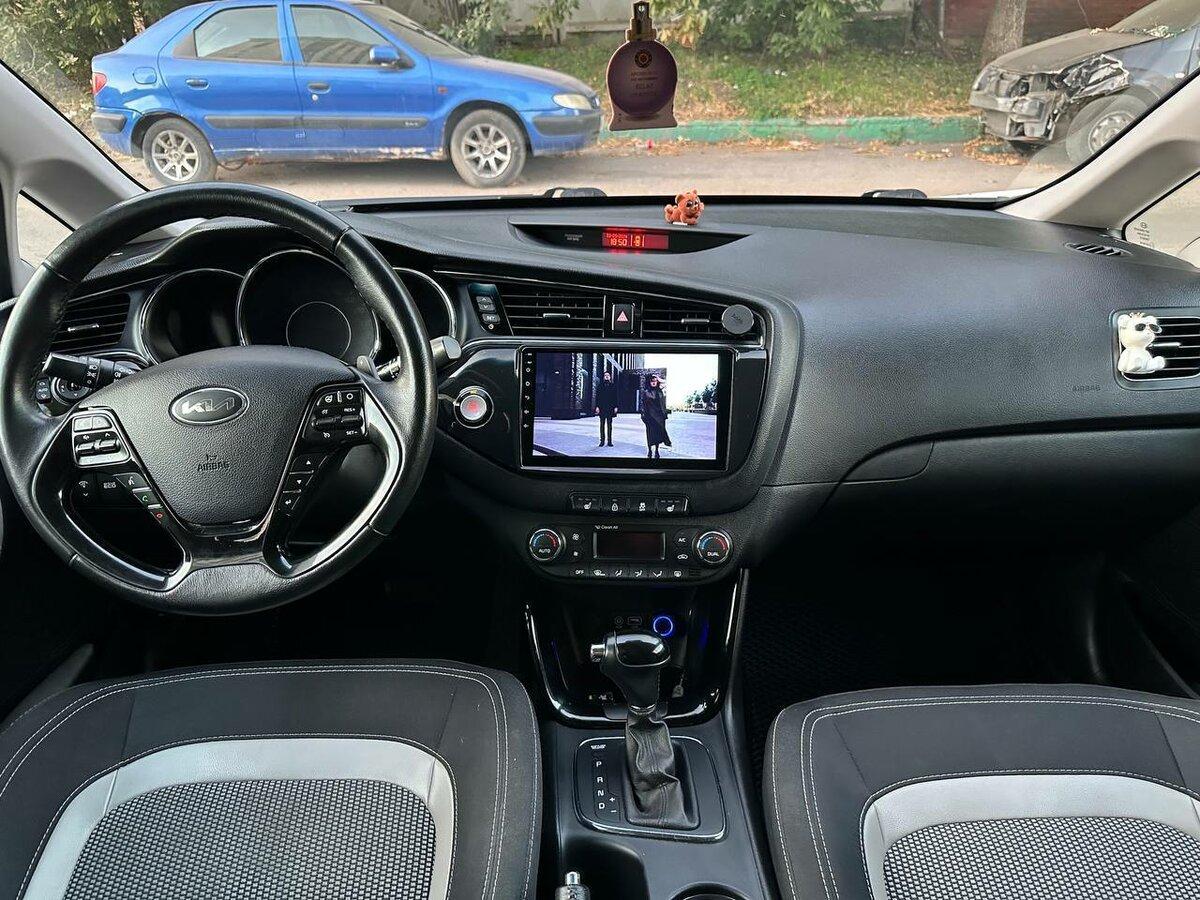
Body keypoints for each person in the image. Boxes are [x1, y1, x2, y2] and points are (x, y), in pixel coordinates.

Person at [640, 374, 671, 459]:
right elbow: (643, 405)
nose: (654, 382)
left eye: (655, 381)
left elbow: (666, 383)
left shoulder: (660, 391)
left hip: (660, 416)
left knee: (658, 434)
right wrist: (643, 415)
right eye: (652, 381)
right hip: (650, 416)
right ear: (649, 382)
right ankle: (650, 450)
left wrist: (658, 378)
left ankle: (657, 451)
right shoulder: (646, 392)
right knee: (650, 434)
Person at [596, 370, 618, 447]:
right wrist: (597, 407)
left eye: (608, 375)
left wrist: (616, 406)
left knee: (609, 425)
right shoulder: (600, 386)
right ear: (603, 377)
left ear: (610, 377)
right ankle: (602, 441)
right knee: (602, 425)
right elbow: (597, 397)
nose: (607, 377)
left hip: (610, 408)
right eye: (605, 375)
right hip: (602, 408)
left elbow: (616, 397)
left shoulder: (613, 386)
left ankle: (609, 441)